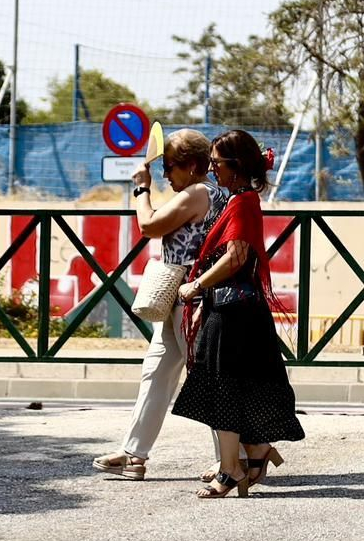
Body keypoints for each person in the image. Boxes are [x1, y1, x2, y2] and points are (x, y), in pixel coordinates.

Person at [170, 129, 305, 498]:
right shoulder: (238, 199)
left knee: (223, 386)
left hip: (232, 311)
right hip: (234, 308)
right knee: (233, 385)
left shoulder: (242, 202)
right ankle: (255, 451)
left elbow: (237, 256)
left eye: (217, 162)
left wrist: (196, 286)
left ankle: (231, 469)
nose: (211, 168)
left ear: (237, 166)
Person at [92, 129, 229, 481]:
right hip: (176, 298)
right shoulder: (203, 192)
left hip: (193, 298)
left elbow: (149, 225)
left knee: (205, 378)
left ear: (193, 166)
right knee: (156, 373)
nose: (166, 174)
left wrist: (141, 188)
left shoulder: (199, 192)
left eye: (171, 167)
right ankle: (134, 454)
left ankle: (230, 460)